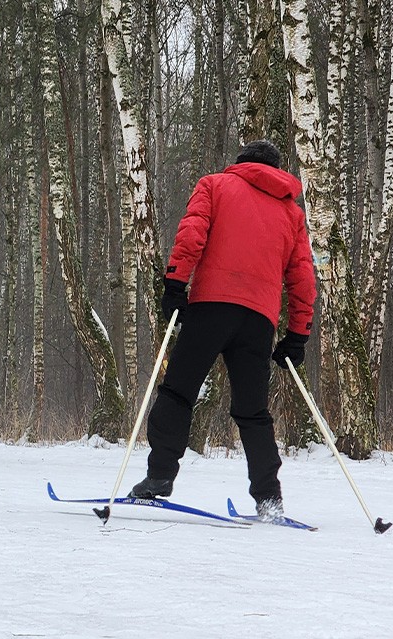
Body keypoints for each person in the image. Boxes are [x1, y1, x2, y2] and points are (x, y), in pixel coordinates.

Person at [128, 139, 317, 521]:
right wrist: (297, 334)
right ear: (277, 170)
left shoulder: (215, 185)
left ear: (241, 163)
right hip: (259, 319)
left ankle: (159, 478)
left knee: (179, 391)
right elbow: (301, 275)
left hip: (211, 306)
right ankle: (268, 498)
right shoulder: (291, 214)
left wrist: (174, 284)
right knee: (252, 411)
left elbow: (192, 233)